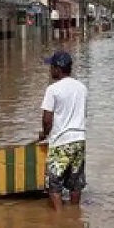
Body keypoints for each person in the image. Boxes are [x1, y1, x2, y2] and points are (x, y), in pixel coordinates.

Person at [37, 50, 87, 210]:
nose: (50, 70)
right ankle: (74, 214)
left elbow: (47, 119)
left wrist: (44, 133)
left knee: (54, 183)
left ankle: (59, 218)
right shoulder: (82, 88)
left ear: (58, 68)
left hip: (61, 142)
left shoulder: (53, 89)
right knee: (76, 183)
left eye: (51, 66)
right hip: (79, 140)